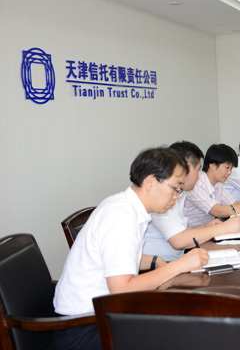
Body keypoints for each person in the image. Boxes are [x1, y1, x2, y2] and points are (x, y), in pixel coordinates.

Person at [53, 147, 210, 350]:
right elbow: (121, 289)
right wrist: (179, 265)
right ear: (150, 182)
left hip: (101, 315)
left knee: (181, 318)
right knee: (182, 331)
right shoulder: (121, 216)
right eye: (175, 188)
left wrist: (155, 261)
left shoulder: (126, 207)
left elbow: (118, 258)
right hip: (85, 327)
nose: (177, 196)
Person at [143, 141, 240, 262]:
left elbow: (180, 232)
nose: (199, 176)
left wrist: (205, 227)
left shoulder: (180, 194)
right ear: (185, 168)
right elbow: (179, 240)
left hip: (176, 259)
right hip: (159, 265)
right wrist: (224, 228)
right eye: (198, 170)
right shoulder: (162, 195)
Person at [184, 143, 240, 228]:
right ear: (212, 165)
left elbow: (235, 203)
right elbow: (217, 210)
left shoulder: (217, 184)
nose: (229, 172)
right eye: (227, 168)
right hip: (193, 231)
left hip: (210, 227)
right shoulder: (197, 183)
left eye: (231, 169)